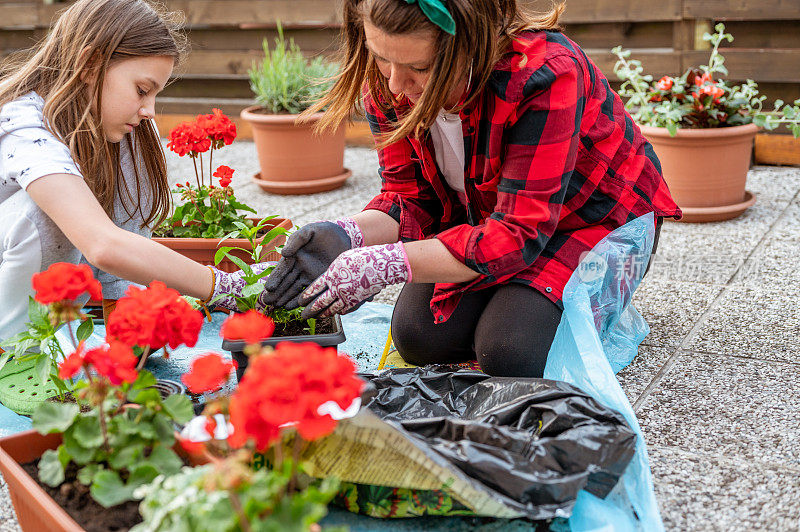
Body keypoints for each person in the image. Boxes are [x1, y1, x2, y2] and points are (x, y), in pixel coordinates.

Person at [262, 0, 681, 378]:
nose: (394, 84)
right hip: (489, 220)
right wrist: (346, 236)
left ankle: (593, 299)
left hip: (592, 219)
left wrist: (385, 264)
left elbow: (518, 233)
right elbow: (412, 199)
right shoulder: (390, 76)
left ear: (473, 43)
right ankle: (522, 294)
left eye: (421, 68)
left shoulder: (544, 75)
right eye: (380, 56)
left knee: (510, 351)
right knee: (417, 336)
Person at [0, 0, 264, 343]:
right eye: (142, 90)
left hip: (58, 322)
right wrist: (226, 286)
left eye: (155, 94)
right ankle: (15, 351)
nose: (150, 109)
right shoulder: (22, 126)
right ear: (90, 64)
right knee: (44, 217)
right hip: (14, 318)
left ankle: (56, 346)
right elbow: (103, 246)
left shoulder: (125, 129)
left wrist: (132, 332)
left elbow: (126, 249)